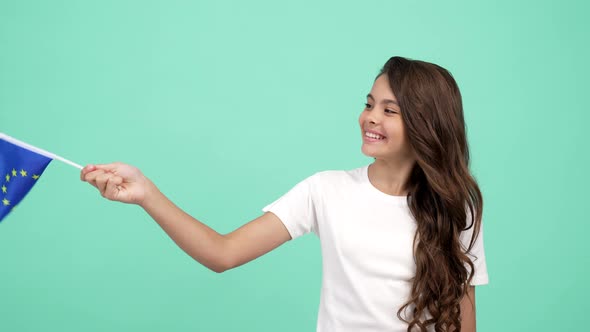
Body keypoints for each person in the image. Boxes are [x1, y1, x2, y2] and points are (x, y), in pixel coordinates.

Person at [81, 56, 488, 332]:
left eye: (389, 110)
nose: (370, 118)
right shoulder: (325, 190)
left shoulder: (456, 207)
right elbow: (222, 254)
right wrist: (147, 193)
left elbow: (464, 319)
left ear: (425, 124)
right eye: (369, 104)